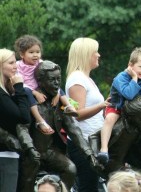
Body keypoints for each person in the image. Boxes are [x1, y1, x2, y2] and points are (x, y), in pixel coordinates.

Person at [18, 60, 98, 191]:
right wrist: (29, 148)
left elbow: (73, 129)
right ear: (40, 80)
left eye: (58, 79)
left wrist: (89, 154)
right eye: (51, 80)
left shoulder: (60, 102)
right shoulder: (30, 100)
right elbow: (22, 128)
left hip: (50, 151)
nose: (56, 83)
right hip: (32, 151)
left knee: (70, 168)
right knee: (27, 180)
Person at [98, 47, 141, 167]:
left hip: (135, 111)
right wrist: (134, 79)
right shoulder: (120, 78)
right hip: (117, 107)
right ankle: (104, 149)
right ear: (130, 65)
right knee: (110, 119)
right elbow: (129, 94)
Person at [65, 37, 109, 191]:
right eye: (95, 52)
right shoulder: (77, 79)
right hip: (84, 143)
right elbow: (78, 114)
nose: (98, 55)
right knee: (87, 187)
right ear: (85, 55)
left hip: (93, 141)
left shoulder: (86, 79)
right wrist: (102, 104)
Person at [14, 35, 78, 135]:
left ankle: (68, 106)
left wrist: (56, 95)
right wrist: (35, 93)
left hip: (42, 89)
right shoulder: (18, 66)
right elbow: (20, 83)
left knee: (57, 87)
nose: (35, 55)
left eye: (37, 52)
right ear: (22, 54)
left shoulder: (41, 63)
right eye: (31, 52)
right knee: (27, 92)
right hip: (29, 91)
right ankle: (39, 120)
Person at [0, 48, 40, 192]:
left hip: (9, 154)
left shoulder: (5, 90)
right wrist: (19, 87)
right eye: (10, 63)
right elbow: (24, 117)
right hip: (4, 156)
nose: (15, 66)